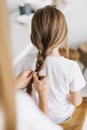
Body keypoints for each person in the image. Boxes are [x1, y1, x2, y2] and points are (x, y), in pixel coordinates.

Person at [0, 1, 63, 130]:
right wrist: (43, 97)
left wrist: (14, 86)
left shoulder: (28, 61)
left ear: (33, 36)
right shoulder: (18, 107)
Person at [22, 6, 86, 124]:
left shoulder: (28, 60)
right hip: (62, 117)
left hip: (37, 115)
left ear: (34, 36)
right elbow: (76, 102)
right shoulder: (71, 67)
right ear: (63, 35)